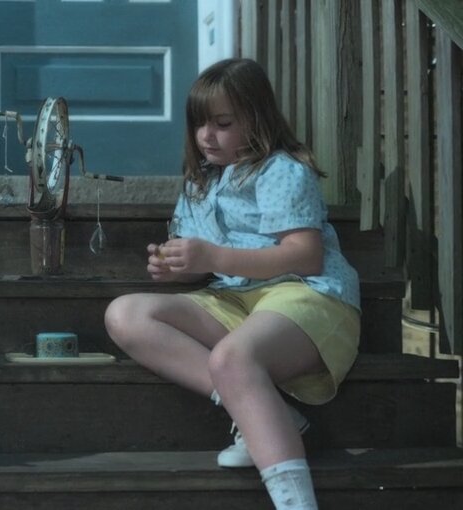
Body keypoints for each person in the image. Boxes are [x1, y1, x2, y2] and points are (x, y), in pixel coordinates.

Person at [104, 58, 360, 510]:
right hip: (234, 300)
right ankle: (265, 411)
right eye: (199, 124)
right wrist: (178, 268)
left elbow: (306, 256)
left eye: (222, 124)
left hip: (304, 296)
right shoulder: (199, 185)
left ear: (257, 119)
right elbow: (202, 264)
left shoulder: (280, 170)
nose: (207, 135)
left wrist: (212, 257)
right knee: (125, 314)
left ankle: (296, 504)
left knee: (232, 357)